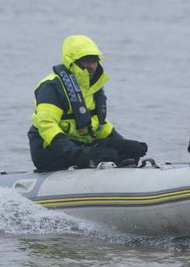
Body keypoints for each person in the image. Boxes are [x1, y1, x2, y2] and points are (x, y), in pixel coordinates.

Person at [28, 34, 148, 172]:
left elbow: (99, 125)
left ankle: (127, 182)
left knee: (132, 149)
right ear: (72, 62)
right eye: (86, 62)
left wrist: (123, 143)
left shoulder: (93, 88)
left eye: (94, 61)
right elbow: (47, 126)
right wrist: (76, 153)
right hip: (49, 150)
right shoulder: (51, 86)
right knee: (108, 155)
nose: (91, 66)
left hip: (82, 145)